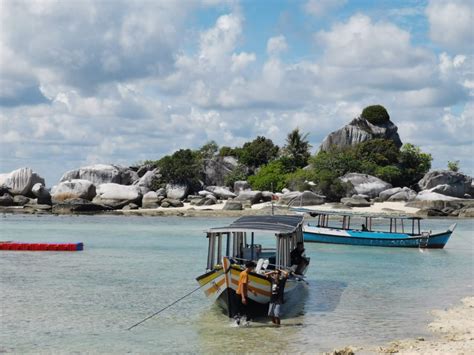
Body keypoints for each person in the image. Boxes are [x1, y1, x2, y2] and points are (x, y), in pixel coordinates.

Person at [235, 261, 256, 325]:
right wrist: (243, 297)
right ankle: (245, 323)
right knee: (248, 310)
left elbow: (244, 285)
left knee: (242, 309)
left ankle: (239, 322)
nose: (253, 268)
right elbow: (242, 286)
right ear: (250, 267)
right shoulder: (245, 275)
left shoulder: (242, 272)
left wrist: (251, 290)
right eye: (253, 267)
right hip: (242, 294)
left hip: (239, 293)